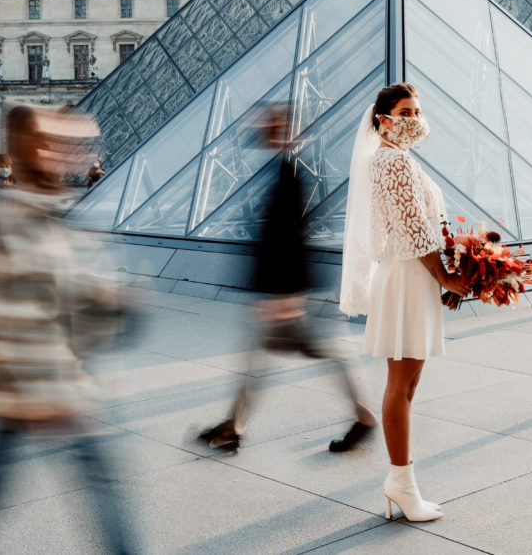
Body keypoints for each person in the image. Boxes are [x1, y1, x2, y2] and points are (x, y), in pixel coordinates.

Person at [0, 105, 136, 555]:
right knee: (98, 483)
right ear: (37, 148)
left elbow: (56, 283)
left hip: (33, 381)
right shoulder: (17, 209)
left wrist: (101, 293)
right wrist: (53, 392)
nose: (79, 153)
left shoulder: (45, 206)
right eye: (66, 143)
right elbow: (21, 305)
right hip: (36, 383)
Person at [197, 104, 376, 454]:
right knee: (274, 356)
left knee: (306, 353)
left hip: (284, 291)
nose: (265, 129)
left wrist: (284, 296)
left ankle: (364, 417)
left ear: (289, 131)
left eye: (274, 123)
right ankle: (234, 425)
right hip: (281, 289)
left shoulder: (290, 171)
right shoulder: (282, 167)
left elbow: (290, 235)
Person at [340, 83, 470, 522]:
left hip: (411, 276)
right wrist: (447, 276)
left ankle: (402, 482)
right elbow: (415, 229)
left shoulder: (398, 158)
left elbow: (428, 226)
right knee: (401, 385)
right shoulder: (392, 162)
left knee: (408, 384)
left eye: (417, 110)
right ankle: (400, 483)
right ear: (383, 119)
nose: (413, 118)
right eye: (404, 111)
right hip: (407, 276)